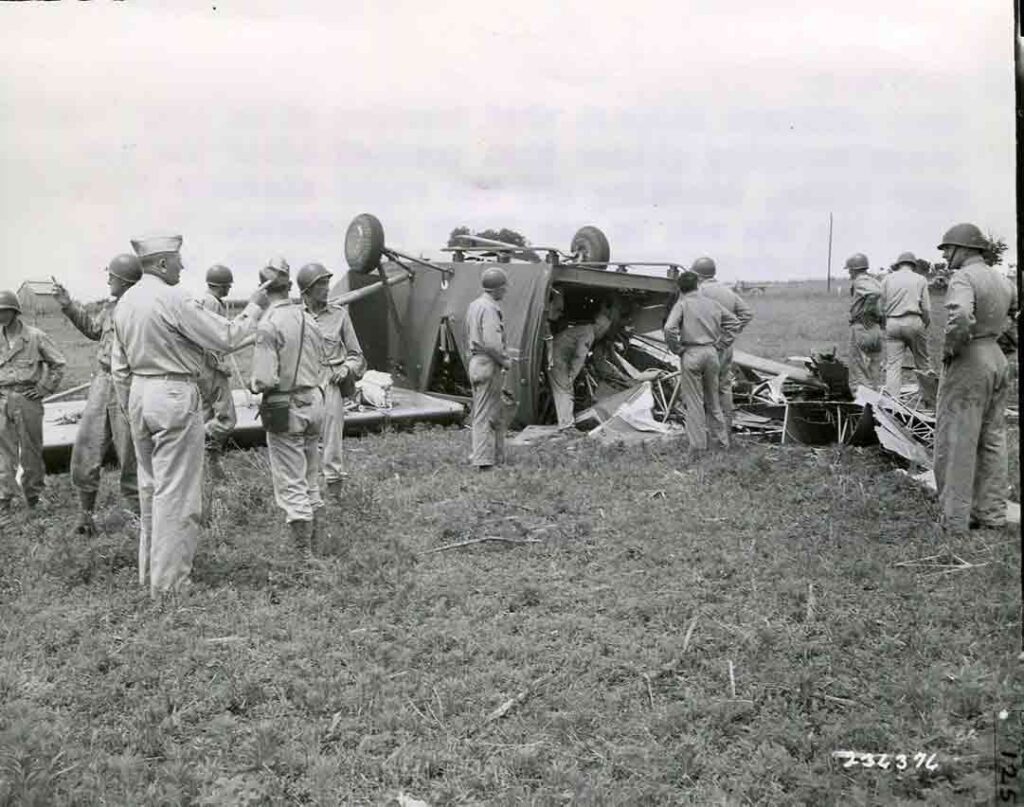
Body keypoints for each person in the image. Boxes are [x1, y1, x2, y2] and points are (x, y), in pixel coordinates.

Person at [111, 235, 269, 597]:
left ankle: (148, 573)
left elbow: (119, 369)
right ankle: (170, 586)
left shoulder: (125, 302)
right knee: (177, 494)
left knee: (151, 489)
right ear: (163, 264)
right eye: (178, 260)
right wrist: (256, 306)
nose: (182, 266)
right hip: (173, 394)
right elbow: (227, 337)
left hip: (138, 394)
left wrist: (131, 407)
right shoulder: (174, 298)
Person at [932, 223, 1017, 533]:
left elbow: (961, 317)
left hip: (969, 358)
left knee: (957, 438)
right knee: (993, 439)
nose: (945, 256)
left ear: (964, 249)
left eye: (948, 249)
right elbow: (1016, 317)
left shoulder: (963, 278)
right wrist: (1003, 346)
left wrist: (951, 351)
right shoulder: (1002, 279)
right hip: (995, 357)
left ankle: (955, 519)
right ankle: (993, 515)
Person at [53, 254, 142, 533]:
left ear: (125, 280)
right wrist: (68, 305)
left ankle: (138, 518)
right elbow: (93, 330)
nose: (108, 280)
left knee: (131, 451)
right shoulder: (110, 308)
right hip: (102, 383)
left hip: (128, 383)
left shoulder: (141, 308)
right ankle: (85, 517)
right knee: (86, 446)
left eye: (112, 276)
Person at [250, 260, 327, 556]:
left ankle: (303, 558)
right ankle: (317, 547)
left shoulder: (268, 324)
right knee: (310, 479)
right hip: (314, 401)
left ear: (264, 288)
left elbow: (263, 379)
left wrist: (255, 386)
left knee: (291, 484)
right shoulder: (309, 318)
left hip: (286, 407)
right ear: (291, 286)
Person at [296, 262, 366, 496]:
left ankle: (334, 488)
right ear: (306, 290)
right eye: (321, 285)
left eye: (327, 283)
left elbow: (357, 356)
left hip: (331, 382)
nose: (327, 289)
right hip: (303, 382)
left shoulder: (339, 315)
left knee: (332, 438)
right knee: (304, 438)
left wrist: (346, 369)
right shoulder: (295, 318)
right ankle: (307, 490)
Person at [0, 290, 66, 511]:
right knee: (3, 452)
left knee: (31, 451)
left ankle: (34, 497)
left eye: (4, 310)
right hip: (1, 400)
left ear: (14, 311)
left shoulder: (35, 336)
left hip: (27, 400)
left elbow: (58, 363)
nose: (0, 315)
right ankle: (4, 498)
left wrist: (44, 388)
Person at [663, 271, 740, 451]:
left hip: (691, 352)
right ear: (697, 284)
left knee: (694, 401)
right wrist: (721, 344)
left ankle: (698, 446)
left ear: (680, 288)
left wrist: (677, 349)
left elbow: (669, 328)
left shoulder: (682, 304)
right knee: (713, 399)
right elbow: (734, 323)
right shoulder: (712, 304)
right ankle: (722, 443)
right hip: (711, 353)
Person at [692, 255, 754, 431]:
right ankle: (726, 429)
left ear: (698, 275)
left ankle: (707, 430)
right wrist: (730, 334)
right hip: (725, 347)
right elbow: (747, 314)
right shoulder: (727, 292)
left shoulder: (698, 293)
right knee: (724, 387)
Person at [465, 267, 512, 468]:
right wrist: (504, 361)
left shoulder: (474, 305)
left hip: (477, 362)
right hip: (488, 363)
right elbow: (492, 343)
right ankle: (483, 461)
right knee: (484, 416)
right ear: (497, 289)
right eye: (504, 287)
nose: (506, 291)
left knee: (494, 415)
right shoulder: (490, 308)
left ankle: (497, 457)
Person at [196, 264, 238, 480]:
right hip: (211, 368)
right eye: (227, 286)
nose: (229, 289)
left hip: (202, 369)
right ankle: (192, 440)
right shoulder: (211, 304)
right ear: (221, 285)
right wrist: (219, 365)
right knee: (226, 418)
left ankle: (210, 467)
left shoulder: (205, 301)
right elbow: (209, 338)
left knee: (208, 414)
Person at [547, 298, 615, 429]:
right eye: (604, 331)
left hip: (557, 356)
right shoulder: (588, 334)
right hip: (558, 358)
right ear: (600, 327)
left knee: (561, 390)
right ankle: (566, 426)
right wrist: (571, 377)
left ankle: (563, 421)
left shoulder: (583, 330)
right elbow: (579, 357)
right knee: (565, 390)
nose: (603, 334)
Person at [879, 251, 933, 397]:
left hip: (892, 322)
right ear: (913, 265)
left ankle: (893, 402)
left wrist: (886, 325)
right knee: (923, 363)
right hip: (914, 320)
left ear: (898, 264)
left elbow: (879, 306)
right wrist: (924, 325)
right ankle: (929, 399)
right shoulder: (920, 279)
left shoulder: (887, 279)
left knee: (893, 365)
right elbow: (926, 309)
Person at [845, 252, 884, 395]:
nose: (849, 272)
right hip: (875, 327)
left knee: (858, 366)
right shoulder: (874, 280)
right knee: (874, 366)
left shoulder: (860, 281)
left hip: (862, 326)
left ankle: (863, 400)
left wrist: (866, 312)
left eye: (850, 269)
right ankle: (873, 398)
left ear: (854, 269)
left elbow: (874, 293)